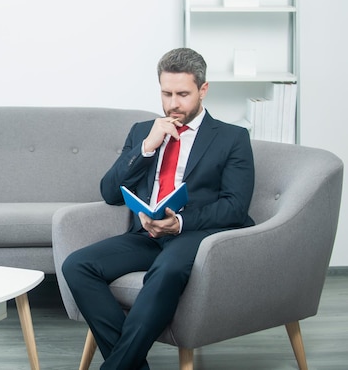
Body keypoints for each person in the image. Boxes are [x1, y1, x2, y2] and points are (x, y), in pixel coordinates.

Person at [61, 47, 255, 370]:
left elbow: (235, 207)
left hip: (194, 235)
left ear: (203, 90)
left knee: (166, 270)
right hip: (145, 234)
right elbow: (109, 191)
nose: (173, 104)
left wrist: (178, 222)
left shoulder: (232, 138)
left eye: (183, 94)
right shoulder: (142, 132)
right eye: (166, 93)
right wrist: (147, 147)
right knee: (76, 266)